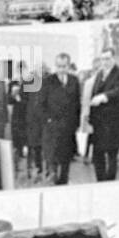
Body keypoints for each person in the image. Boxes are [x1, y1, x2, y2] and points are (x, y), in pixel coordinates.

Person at [39, 53, 81, 185]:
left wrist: (76, 123)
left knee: (66, 157)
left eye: (64, 66)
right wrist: (48, 120)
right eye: (58, 66)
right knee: (53, 157)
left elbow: (77, 103)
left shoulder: (74, 80)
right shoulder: (48, 81)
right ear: (55, 66)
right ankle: (53, 177)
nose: (61, 69)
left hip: (68, 127)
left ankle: (63, 181)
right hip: (52, 126)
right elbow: (40, 104)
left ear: (68, 66)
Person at [88, 51, 119, 182]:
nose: (105, 62)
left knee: (111, 155)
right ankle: (100, 181)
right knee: (97, 155)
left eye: (108, 58)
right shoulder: (99, 74)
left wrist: (104, 96)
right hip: (98, 122)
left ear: (114, 58)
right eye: (102, 59)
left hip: (112, 122)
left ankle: (110, 183)